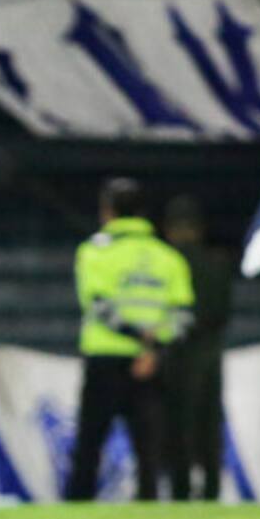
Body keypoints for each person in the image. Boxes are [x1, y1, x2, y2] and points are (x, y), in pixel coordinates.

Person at [66, 178, 194, 502]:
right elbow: (183, 316)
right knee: (148, 452)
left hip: (105, 359)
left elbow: (98, 307)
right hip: (151, 364)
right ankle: (148, 517)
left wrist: (135, 338)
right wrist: (152, 349)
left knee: (90, 445)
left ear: (107, 212)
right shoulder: (169, 258)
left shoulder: (93, 251)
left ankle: (77, 512)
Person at [161, 196, 233, 501]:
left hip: (176, 352)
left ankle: (181, 490)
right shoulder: (218, 262)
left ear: (168, 229)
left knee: (178, 424)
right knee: (209, 423)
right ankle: (212, 489)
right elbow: (223, 311)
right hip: (210, 351)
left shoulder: (165, 262)